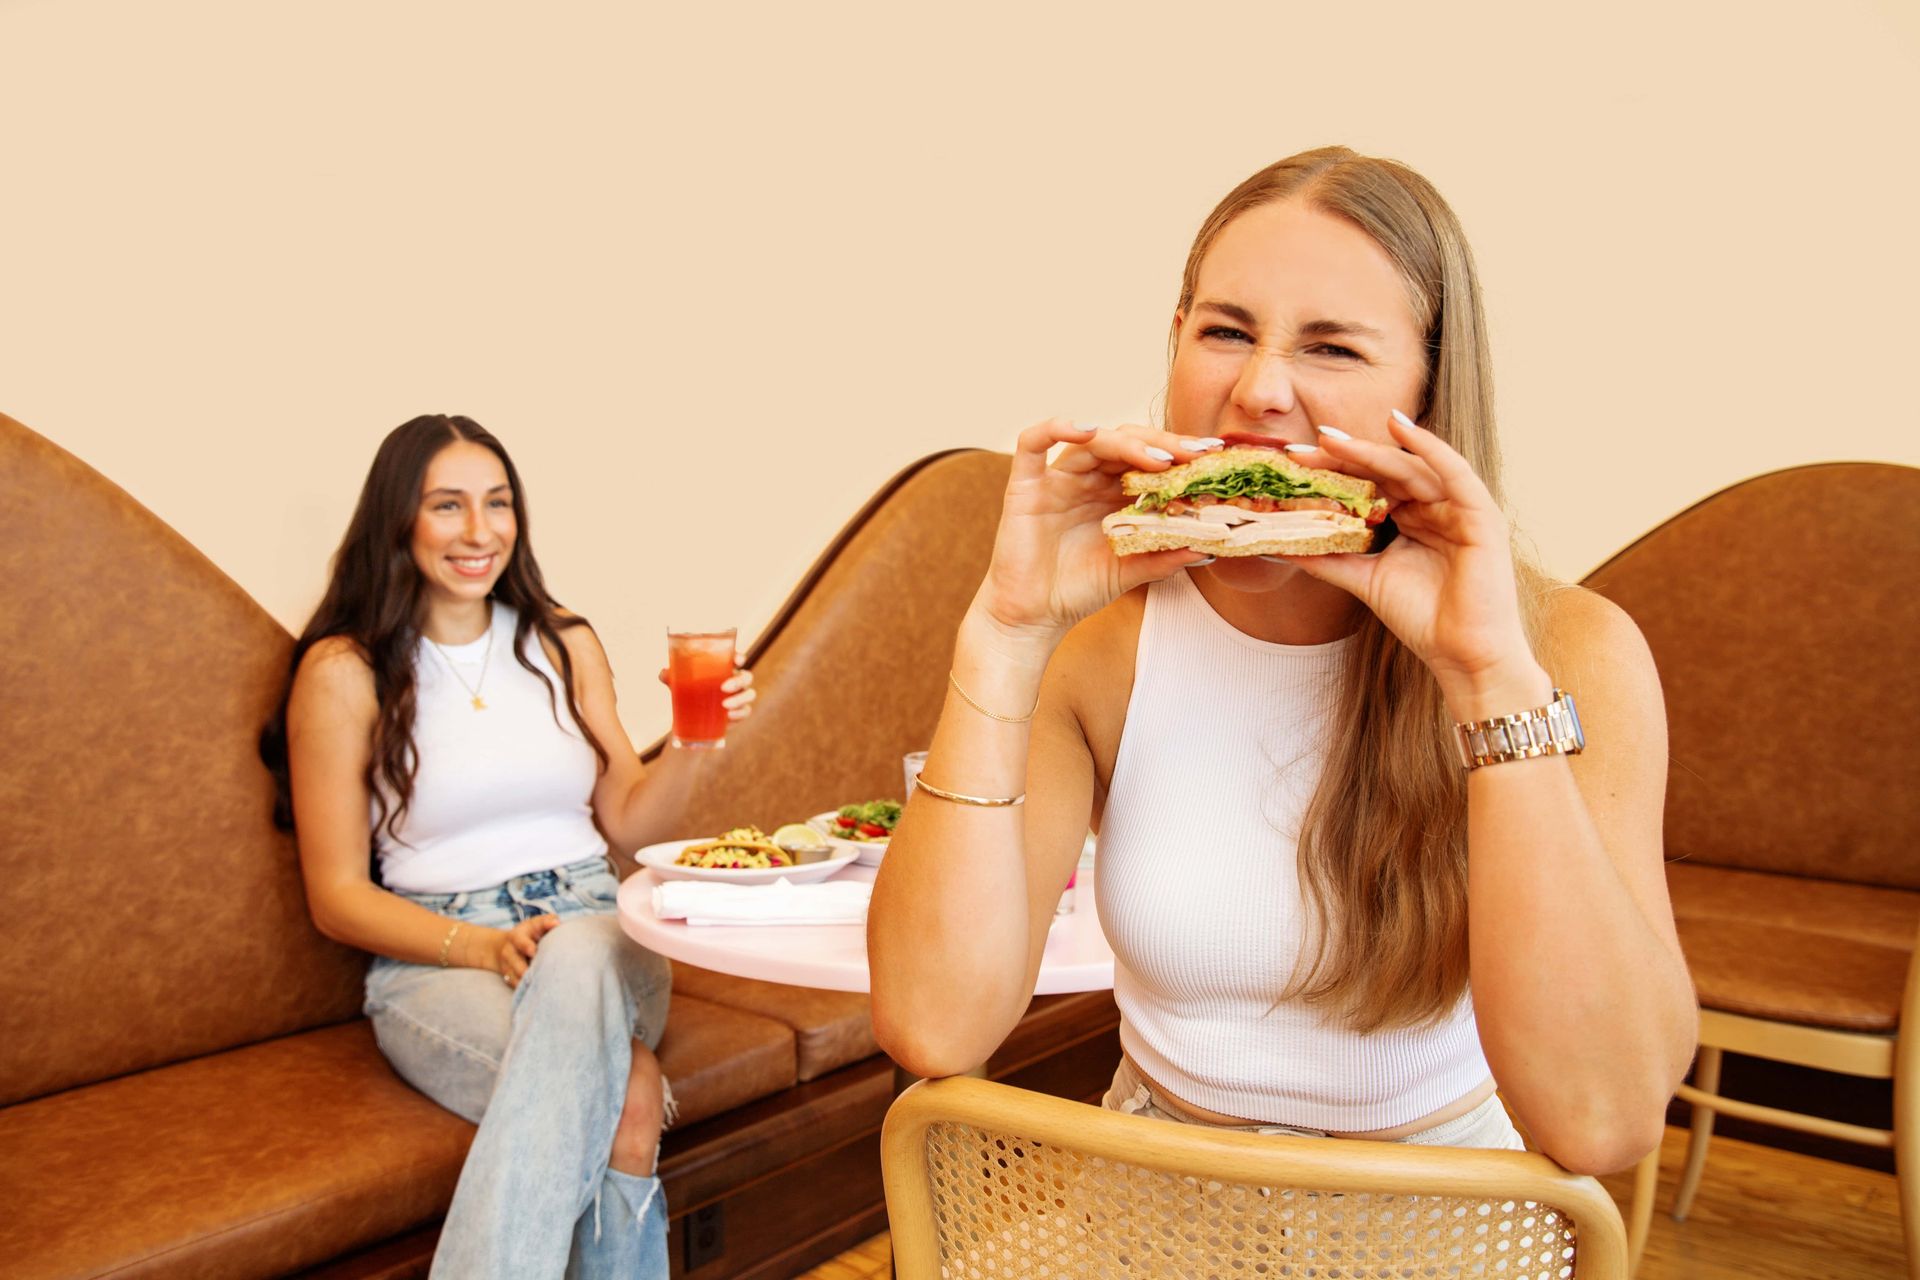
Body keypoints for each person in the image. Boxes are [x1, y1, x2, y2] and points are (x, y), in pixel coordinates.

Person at [867, 146, 1695, 1174]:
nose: (1259, 389)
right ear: (1175, 342)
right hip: (1153, 1203)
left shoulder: (1574, 651)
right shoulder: (1098, 647)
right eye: (1225, 331)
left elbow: (1603, 1119)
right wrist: (1002, 637)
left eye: (1333, 348)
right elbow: (933, 1025)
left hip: (1438, 1217)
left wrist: (1488, 680)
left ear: (1430, 395)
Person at [261, 414, 755, 1278]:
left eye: (497, 503)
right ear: (398, 521)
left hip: (599, 933)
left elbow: (630, 825)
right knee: (628, 1098)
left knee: (573, 951)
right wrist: (489, 946)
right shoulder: (345, 672)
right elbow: (335, 898)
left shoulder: (562, 643)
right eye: (447, 506)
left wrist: (689, 742)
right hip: (441, 958)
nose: (479, 530)